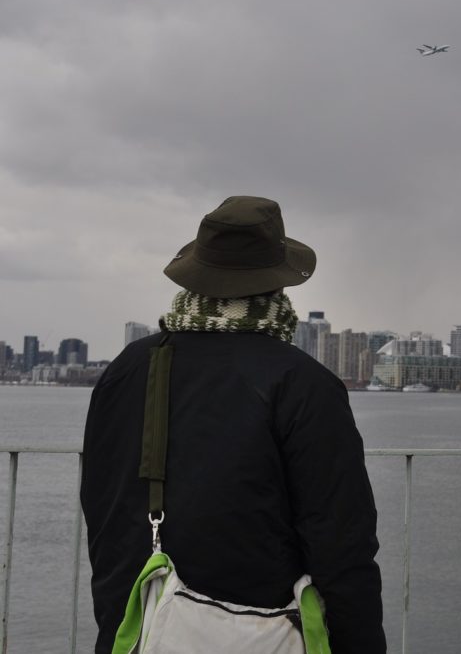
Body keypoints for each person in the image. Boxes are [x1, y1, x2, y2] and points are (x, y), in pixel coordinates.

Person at [81, 196, 385, 653]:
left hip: (138, 631)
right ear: (278, 283)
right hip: (259, 632)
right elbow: (342, 547)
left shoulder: (126, 368)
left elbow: (102, 509)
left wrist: (114, 619)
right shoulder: (303, 383)